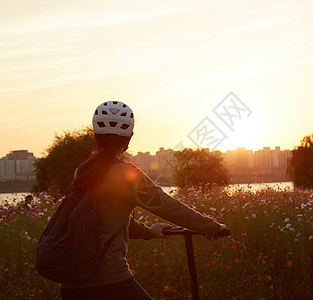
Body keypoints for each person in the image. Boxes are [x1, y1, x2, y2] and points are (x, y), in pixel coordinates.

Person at [59, 101, 229, 300]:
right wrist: (213, 227)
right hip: (108, 281)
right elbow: (167, 206)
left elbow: (101, 219)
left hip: (70, 282)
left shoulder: (82, 170)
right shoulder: (125, 174)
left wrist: (149, 232)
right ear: (128, 139)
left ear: (96, 136)